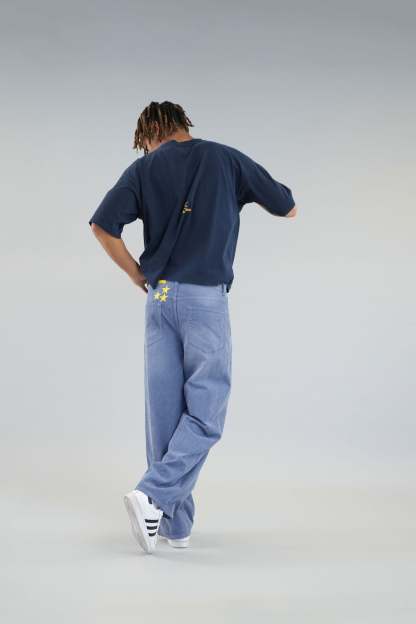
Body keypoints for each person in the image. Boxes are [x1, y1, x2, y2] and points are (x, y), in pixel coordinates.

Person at [88, 100, 297, 554]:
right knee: (205, 414)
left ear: (152, 132)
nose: (146, 151)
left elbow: (103, 227)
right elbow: (288, 207)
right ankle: (152, 494)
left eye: (144, 143)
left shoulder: (142, 170)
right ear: (183, 125)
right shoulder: (226, 159)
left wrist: (136, 274)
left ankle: (173, 527)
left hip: (160, 299)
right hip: (204, 299)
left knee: (163, 418)